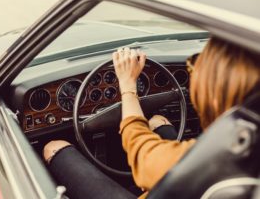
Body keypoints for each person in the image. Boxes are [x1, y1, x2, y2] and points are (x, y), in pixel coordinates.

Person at [43, 37, 260, 199]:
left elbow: (141, 151)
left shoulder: (221, 158)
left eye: (196, 69)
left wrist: (128, 87)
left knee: (54, 147)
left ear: (218, 95)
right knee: (156, 120)